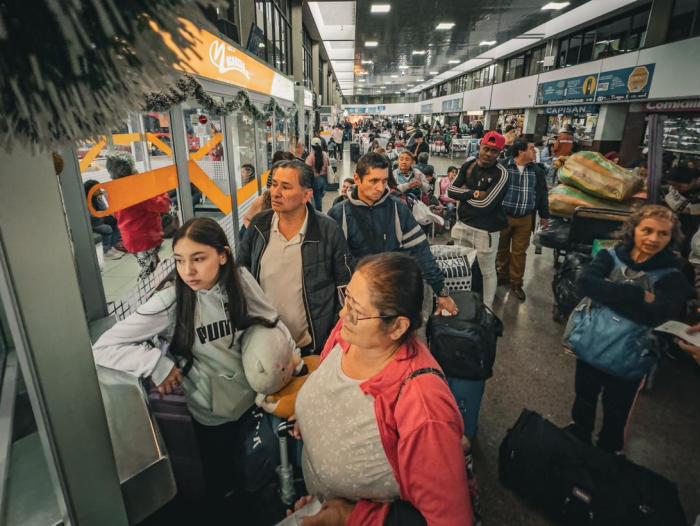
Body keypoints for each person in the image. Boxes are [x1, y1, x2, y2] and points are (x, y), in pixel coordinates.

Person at [92, 217, 281, 517]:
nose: (188, 271)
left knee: (255, 478)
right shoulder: (171, 301)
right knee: (222, 488)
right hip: (210, 420)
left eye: (198, 259)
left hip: (253, 407)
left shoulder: (241, 283)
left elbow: (272, 320)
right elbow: (103, 347)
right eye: (179, 260)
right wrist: (156, 364)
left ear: (222, 255)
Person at [292, 252, 473, 526]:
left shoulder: (423, 404)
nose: (343, 314)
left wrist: (349, 516)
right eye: (347, 299)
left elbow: (449, 521)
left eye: (356, 310)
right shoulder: (349, 333)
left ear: (398, 327)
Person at [567, 205, 694, 454]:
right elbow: (584, 283)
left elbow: (658, 314)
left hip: (631, 356)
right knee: (584, 397)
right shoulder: (611, 256)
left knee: (617, 411)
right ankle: (578, 436)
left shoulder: (673, 274)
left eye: (662, 234)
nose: (653, 239)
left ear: (671, 238)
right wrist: (635, 293)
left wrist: (608, 293)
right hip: (591, 345)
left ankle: (608, 455)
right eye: (647, 230)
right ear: (633, 229)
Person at [328, 152, 458, 323]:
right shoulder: (339, 214)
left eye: (383, 181)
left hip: (393, 297)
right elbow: (332, 265)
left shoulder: (398, 209)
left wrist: (441, 291)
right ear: (357, 179)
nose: (380, 188)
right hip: (357, 302)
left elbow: (421, 251)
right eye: (373, 181)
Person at [239, 160, 352, 355]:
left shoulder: (328, 231)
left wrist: (333, 335)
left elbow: (344, 286)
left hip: (313, 345)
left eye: (286, 187)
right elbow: (241, 273)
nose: (275, 192)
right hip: (265, 344)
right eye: (274, 184)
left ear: (307, 195)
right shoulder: (259, 226)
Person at [448, 131, 510, 308]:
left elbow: (487, 205)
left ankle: (488, 309)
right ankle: (464, 302)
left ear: (499, 153)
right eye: (486, 149)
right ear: (480, 146)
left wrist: (464, 198)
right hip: (463, 225)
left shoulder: (502, 174)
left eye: (494, 151)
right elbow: (451, 191)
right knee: (463, 266)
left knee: (487, 270)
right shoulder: (468, 165)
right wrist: (474, 193)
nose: (488, 154)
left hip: (486, 230)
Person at [497, 139, 551, 301]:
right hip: (503, 216)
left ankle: (516, 282)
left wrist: (544, 216)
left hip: (525, 218)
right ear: (521, 151)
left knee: (520, 252)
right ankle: (502, 275)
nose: (535, 152)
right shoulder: (503, 166)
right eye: (532, 148)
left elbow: (542, 194)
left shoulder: (536, 171)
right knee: (502, 248)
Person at [106, 151, 171, 282]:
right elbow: (163, 205)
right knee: (148, 276)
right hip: (145, 238)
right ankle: (149, 297)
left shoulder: (114, 189)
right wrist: (161, 189)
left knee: (150, 266)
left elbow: (114, 213)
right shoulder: (136, 190)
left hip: (131, 237)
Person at [242, 151, 295, 231]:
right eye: (275, 184)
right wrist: (256, 235)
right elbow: (247, 219)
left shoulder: (299, 200)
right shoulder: (264, 200)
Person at [84, 179, 124, 260]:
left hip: (99, 220)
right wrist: (99, 213)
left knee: (116, 221)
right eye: (97, 189)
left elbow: (105, 210)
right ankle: (105, 251)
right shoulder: (84, 201)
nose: (99, 191)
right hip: (92, 224)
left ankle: (112, 246)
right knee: (107, 228)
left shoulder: (96, 199)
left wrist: (100, 200)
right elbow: (87, 217)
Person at [306, 137, 330, 212]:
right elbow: (328, 165)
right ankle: (318, 212)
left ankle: (318, 214)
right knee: (319, 197)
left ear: (312, 146)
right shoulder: (325, 154)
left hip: (315, 180)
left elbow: (307, 168)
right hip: (324, 179)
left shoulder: (311, 156)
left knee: (317, 199)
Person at [439, 166, 459, 230]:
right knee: (450, 207)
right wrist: (451, 181)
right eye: (452, 172)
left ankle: (459, 222)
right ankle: (447, 220)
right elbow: (443, 188)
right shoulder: (444, 179)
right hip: (446, 199)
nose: (454, 174)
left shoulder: (457, 180)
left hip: (455, 199)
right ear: (448, 173)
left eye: (455, 172)